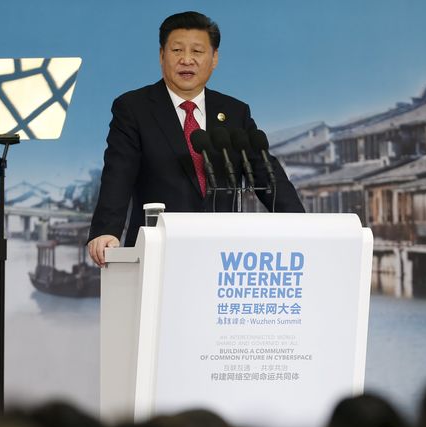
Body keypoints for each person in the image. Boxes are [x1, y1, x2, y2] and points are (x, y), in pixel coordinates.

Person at [87, 11, 304, 267]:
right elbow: (118, 172)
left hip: (226, 256)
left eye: (198, 52)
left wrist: (303, 225)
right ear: (161, 56)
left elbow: (265, 173)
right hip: (158, 251)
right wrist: (106, 229)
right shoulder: (134, 108)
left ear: (214, 59)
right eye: (177, 50)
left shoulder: (235, 111)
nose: (186, 60)